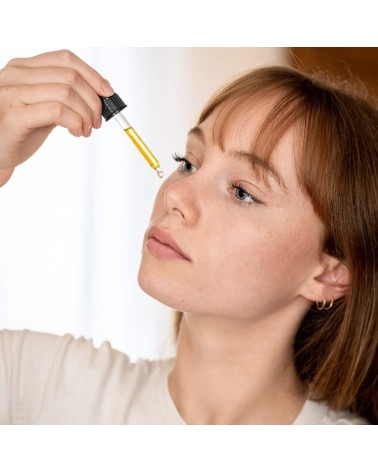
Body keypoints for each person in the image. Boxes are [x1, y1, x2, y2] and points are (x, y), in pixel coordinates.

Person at [0, 50, 376, 425]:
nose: (175, 195)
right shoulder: (37, 386)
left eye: (242, 192)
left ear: (328, 274)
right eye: (189, 163)